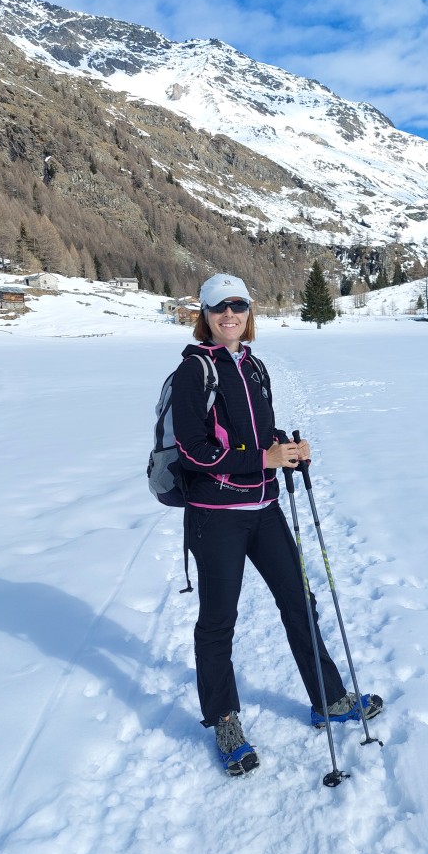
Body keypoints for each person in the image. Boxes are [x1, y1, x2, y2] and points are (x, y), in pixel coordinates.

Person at [170, 273, 382, 776]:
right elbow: (193, 451)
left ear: (249, 312)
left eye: (238, 306)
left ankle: (327, 699)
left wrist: (287, 447)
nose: (230, 315)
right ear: (205, 314)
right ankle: (224, 720)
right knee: (219, 622)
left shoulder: (253, 365)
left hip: (264, 510)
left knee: (299, 603)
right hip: (216, 517)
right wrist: (262, 458)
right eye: (219, 308)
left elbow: (259, 433)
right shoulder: (193, 371)